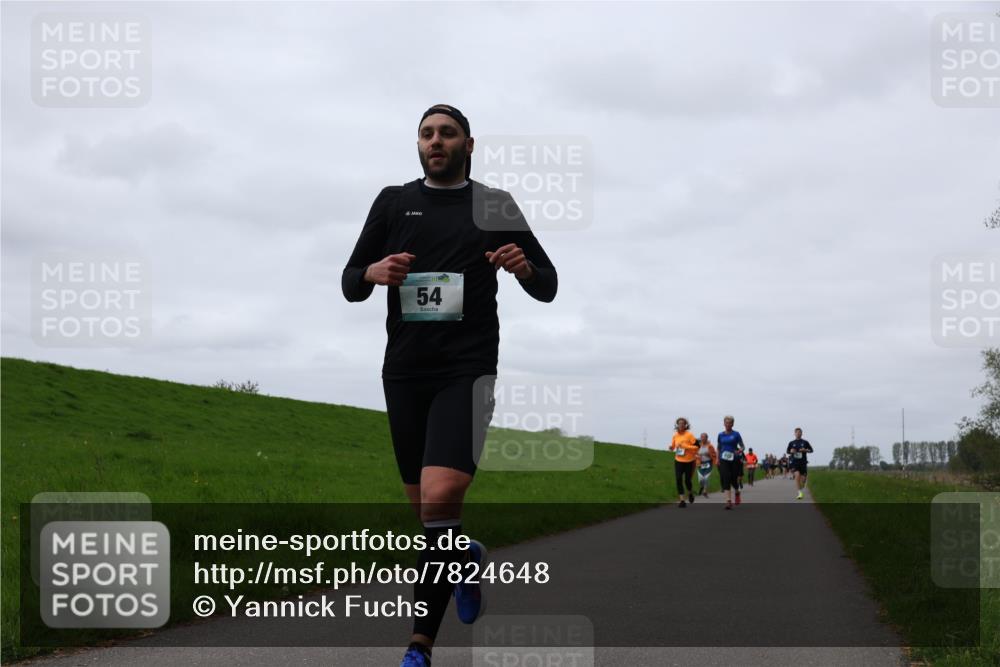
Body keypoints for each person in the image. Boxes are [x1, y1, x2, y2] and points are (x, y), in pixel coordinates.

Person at [342, 104, 558, 667]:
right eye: (427, 134)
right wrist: (372, 272)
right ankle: (465, 558)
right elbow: (349, 281)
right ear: (418, 145)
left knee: (440, 496)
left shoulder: (494, 204)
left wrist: (524, 267)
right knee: (431, 521)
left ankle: (419, 646)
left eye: (447, 133)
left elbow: (549, 285)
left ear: (469, 144)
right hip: (405, 372)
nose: (436, 141)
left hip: (467, 368)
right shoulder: (392, 200)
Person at [716, 415, 746, 510]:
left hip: (734, 458)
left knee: (733, 478)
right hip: (723, 459)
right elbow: (718, 448)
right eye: (726, 422)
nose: (728, 424)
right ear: (724, 424)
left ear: (732, 424)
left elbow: (742, 446)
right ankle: (728, 501)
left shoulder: (736, 434)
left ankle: (737, 492)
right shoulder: (720, 435)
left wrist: (739, 451)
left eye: (730, 423)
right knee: (726, 478)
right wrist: (717, 459)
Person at [670, 417, 699, 507]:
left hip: (689, 461)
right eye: (679, 423)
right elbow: (674, 446)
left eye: (683, 423)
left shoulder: (689, 435)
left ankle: (690, 493)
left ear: (685, 425)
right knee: (678, 479)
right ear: (677, 425)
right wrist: (671, 447)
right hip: (678, 460)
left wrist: (686, 446)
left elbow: (697, 447)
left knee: (687, 480)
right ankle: (682, 500)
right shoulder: (675, 435)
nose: (681, 425)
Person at [786, 427, 814, 500]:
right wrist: (791, 451)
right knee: (797, 475)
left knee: (803, 480)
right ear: (794, 434)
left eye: (799, 432)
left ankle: (802, 485)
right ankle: (799, 493)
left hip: (803, 462)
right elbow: (788, 451)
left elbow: (811, 450)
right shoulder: (791, 443)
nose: (798, 433)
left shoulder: (805, 442)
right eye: (797, 432)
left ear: (802, 433)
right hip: (795, 462)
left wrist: (805, 450)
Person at [695, 432, 718, 498]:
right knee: (700, 479)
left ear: (706, 438)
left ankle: (705, 491)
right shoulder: (698, 446)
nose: (702, 438)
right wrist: (697, 456)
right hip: (700, 464)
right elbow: (695, 453)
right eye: (701, 437)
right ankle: (702, 487)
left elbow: (714, 455)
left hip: (708, 463)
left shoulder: (710, 446)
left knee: (706, 478)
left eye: (704, 437)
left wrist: (709, 455)